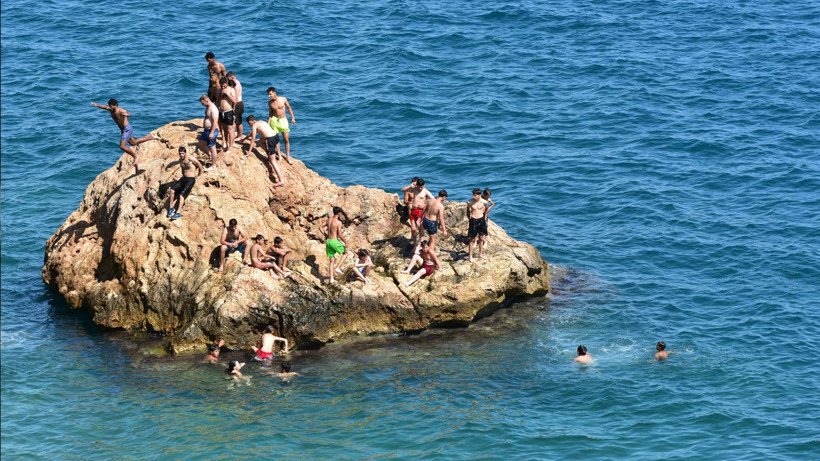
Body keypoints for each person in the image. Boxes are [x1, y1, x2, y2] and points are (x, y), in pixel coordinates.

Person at [90, 99, 159, 173]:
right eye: (109, 106)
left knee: (122, 146)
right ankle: (151, 137)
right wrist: (96, 105)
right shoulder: (110, 109)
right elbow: (103, 107)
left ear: (115, 105)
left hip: (127, 129)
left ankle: (136, 156)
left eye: (111, 106)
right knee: (133, 142)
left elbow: (129, 114)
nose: (110, 107)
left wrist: (127, 115)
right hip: (123, 130)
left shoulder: (121, 111)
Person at [245, 115, 284, 186]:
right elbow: (251, 133)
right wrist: (245, 138)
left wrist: (249, 152)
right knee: (260, 141)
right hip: (275, 137)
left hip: (270, 140)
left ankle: (281, 180)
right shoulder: (261, 121)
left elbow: (253, 139)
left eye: (249, 124)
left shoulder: (254, 126)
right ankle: (271, 154)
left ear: (251, 122)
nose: (249, 125)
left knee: (273, 161)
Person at [166, 146, 203, 220]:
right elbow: (180, 167)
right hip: (183, 178)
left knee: (181, 195)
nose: (181, 155)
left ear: (185, 153)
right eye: (180, 153)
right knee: (172, 190)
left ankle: (178, 213)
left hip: (190, 179)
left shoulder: (190, 159)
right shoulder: (180, 160)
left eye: (182, 153)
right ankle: (171, 208)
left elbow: (200, 166)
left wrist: (198, 176)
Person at [401, 178, 435, 250]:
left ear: (424, 185)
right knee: (413, 228)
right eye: (419, 186)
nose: (420, 188)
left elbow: (433, 199)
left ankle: (422, 244)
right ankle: (414, 244)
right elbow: (403, 190)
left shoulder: (425, 191)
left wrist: (426, 204)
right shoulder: (414, 189)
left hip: (420, 211)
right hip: (413, 210)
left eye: (421, 187)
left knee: (420, 228)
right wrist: (411, 186)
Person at [267, 87, 296, 164]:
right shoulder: (270, 103)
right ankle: (279, 155)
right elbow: (270, 114)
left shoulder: (283, 99)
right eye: (268, 95)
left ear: (274, 93)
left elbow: (289, 108)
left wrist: (292, 118)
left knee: (286, 139)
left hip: (283, 120)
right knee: (276, 139)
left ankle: (287, 156)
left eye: (270, 94)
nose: (269, 96)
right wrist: (268, 122)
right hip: (275, 121)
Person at [325, 206, 350, 284]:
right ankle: (338, 268)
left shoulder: (328, 220)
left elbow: (320, 227)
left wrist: (325, 235)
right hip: (334, 241)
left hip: (328, 241)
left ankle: (331, 279)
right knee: (345, 253)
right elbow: (340, 234)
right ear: (339, 213)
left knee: (331, 261)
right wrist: (345, 242)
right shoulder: (338, 222)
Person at [197, 94, 220, 172]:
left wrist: (212, 133)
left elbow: (215, 121)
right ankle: (210, 155)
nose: (202, 105)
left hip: (211, 131)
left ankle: (213, 166)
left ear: (206, 100)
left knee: (213, 148)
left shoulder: (213, 109)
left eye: (203, 103)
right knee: (201, 144)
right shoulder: (208, 107)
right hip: (206, 131)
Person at [466, 188, 489, 261]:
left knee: (481, 237)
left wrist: (485, 218)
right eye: (473, 195)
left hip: (481, 219)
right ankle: (470, 256)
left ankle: (480, 254)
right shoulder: (470, 202)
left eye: (475, 195)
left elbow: (487, 209)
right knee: (472, 239)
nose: (473, 196)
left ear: (479, 195)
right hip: (473, 219)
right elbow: (467, 210)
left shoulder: (484, 202)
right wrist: (469, 218)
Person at [217, 77, 237, 154]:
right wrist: (220, 95)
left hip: (228, 111)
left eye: (224, 86)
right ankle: (226, 143)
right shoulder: (219, 90)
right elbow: (218, 101)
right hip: (221, 112)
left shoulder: (231, 90)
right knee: (224, 129)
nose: (223, 87)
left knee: (230, 130)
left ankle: (230, 147)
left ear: (227, 84)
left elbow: (235, 101)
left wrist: (227, 94)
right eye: (221, 86)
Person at [227, 71, 245, 141]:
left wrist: (233, 107)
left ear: (232, 77)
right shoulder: (236, 82)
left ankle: (240, 136)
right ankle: (238, 135)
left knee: (238, 121)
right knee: (237, 120)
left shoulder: (236, 85)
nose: (228, 80)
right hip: (238, 103)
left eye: (229, 79)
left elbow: (236, 97)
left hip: (238, 104)